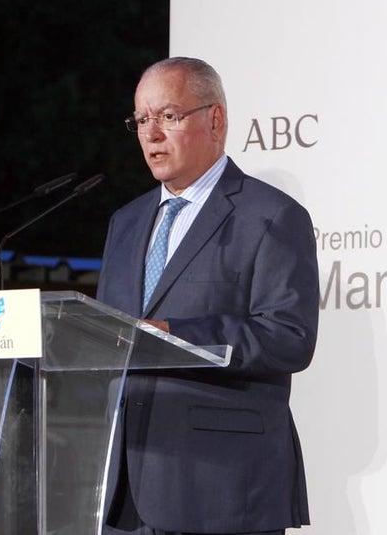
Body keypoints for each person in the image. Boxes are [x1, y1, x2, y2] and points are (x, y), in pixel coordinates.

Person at [98, 56, 320, 535]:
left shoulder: (271, 216)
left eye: (168, 116)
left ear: (214, 119)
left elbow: (289, 336)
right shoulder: (126, 223)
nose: (151, 133)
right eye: (141, 120)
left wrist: (173, 336)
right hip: (127, 489)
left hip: (220, 487)